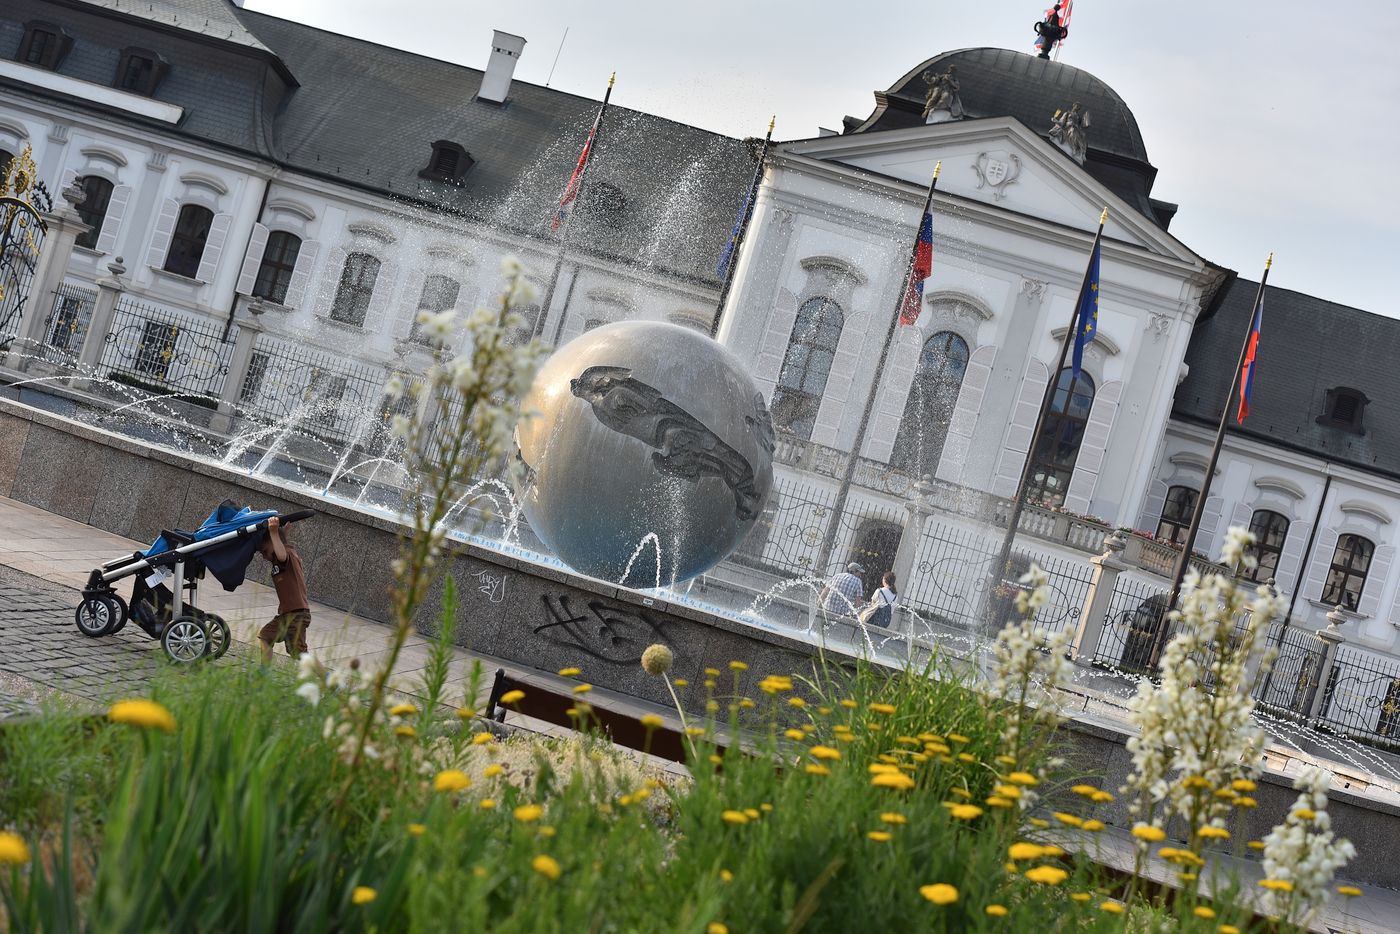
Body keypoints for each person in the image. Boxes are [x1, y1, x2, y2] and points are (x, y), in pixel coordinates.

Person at [257, 516, 311, 661]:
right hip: (290, 614)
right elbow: (279, 550)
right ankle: (264, 674)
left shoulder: (284, 555)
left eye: (264, 551)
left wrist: (274, 533)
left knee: (298, 653)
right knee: (266, 637)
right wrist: (281, 535)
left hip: (295, 615)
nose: (264, 556)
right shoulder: (287, 553)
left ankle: (327, 678)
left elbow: (281, 555)